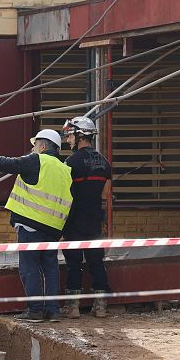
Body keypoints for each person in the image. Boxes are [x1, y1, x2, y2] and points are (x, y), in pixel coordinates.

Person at [0, 129, 72, 322]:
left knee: (30, 267)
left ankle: (35, 310)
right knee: (50, 268)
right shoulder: (65, 169)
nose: (32, 148)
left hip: (30, 225)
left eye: (35, 145)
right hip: (53, 228)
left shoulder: (36, 160)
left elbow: (5, 163)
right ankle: (53, 310)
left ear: (43, 146)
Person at [60, 116, 112, 318]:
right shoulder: (105, 163)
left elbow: (65, 193)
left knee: (74, 263)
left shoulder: (70, 162)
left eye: (70, 135)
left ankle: (72, 307)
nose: (68, 140)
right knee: (96, 262)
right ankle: (100, 307)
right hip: (94, 221)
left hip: (74, 221)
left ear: (80, 135)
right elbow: (105, 195)